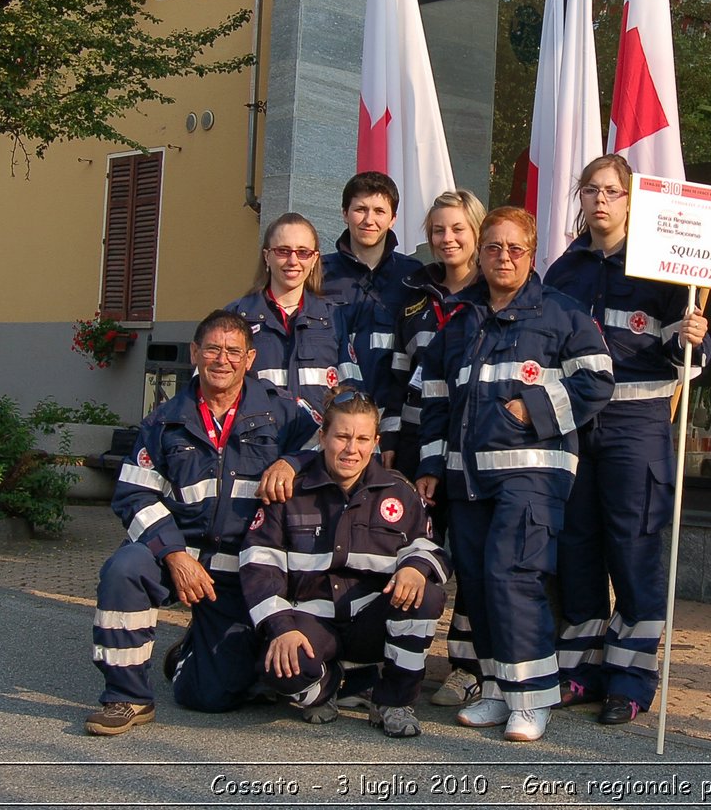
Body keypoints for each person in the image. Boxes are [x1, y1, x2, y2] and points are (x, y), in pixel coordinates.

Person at [414, 206, 614, 742]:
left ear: (532, 254)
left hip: (532, 475)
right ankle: (499, 690)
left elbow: (597, 382)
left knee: (513, 578)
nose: (504, 257)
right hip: (466, 478)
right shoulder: (459, 319)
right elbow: (432, 397)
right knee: (478, 585)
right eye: (494, 248)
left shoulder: (562, 314)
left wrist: (532, 408)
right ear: (480, 253)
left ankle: (531, 700)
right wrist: (432, 465)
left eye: (515, 249)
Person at [84, 310, 317, 736]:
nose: (221, 360)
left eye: (233, 351)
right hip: (180, 554)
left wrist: (290, 460)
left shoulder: (281, 411)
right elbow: (133, 494)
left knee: (209, 698)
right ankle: (126, 696)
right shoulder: (164, 419)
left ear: (249, 359)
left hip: (243, 569)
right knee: (125, 568)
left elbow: (326, 441)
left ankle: (193, 653)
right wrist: (173, 554)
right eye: (212, 349)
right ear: (195, 353)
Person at [546, 154, 711, 725]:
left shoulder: (664, 268)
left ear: (631, 199)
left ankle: (632, 679)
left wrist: (694, 337)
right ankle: (581, 670)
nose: (599, 200)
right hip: (575, 424)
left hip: (636, 424)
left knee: (635, 547)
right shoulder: (562, 272)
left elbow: (687, 356)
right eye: (589, 189)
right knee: (578, 546)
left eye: (611, 191)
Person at [240, 391, 449, 738]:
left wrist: (414, 567)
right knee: (278, 671)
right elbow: (259, 564)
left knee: (425, 594)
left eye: (363, 439)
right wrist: (280, 627)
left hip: (371, 622)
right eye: (342, 436)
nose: (352, 449)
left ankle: (394, 701)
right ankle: (335, 684)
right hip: (311, 621)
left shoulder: (398, 490)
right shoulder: (289, 491)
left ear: (376, 443)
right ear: (322, 436)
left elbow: (431, 547)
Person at [388, 188, 485, 708]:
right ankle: (403, 653)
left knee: (468, 555)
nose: (447, 239)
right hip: (414, 444)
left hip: (471, 447)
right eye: (438, 230)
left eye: (458, 229)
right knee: (411, 546)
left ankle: (466, 665)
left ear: (476, 232)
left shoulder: (493, 293)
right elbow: (397, 376)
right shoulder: (415, 297)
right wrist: (389, 442)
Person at [322, 172, 421, 464]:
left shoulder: (412, 277)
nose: (369, 219)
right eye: (360, 209)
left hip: (396, 423)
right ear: (344, 213)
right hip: (337, 423)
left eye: (379, 211)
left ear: (393, 219)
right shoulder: (318, 273)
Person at [227, 213, 361, 426]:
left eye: (303, 252)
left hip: (315, 450)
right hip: (256, 448)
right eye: (283, 251)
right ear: (266, 256)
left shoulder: (334, 318)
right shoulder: (236, 317)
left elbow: (351, 393)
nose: (293, 261)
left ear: (315, 259)